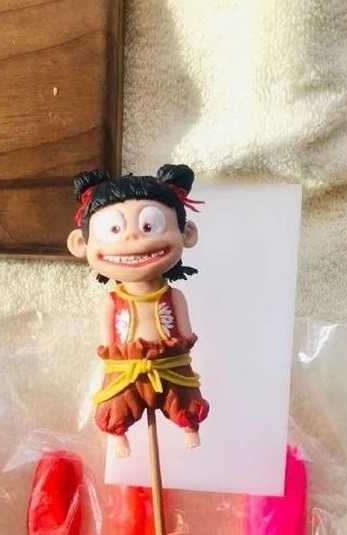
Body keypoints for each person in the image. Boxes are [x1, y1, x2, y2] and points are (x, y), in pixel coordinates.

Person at [67, 164, 209, 457]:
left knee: (183, 397)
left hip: (170, 363)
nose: (132, 239)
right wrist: (115, 360)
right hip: (125, 367)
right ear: (80, 243)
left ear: (187, 233)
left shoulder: (174, 296)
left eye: (149, 226)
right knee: (116, 401)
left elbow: (185, 333)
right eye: (114, 229)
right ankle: (117, 434)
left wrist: (178, 350)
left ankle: (189, 426)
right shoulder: (111, 302)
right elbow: (108, 343)